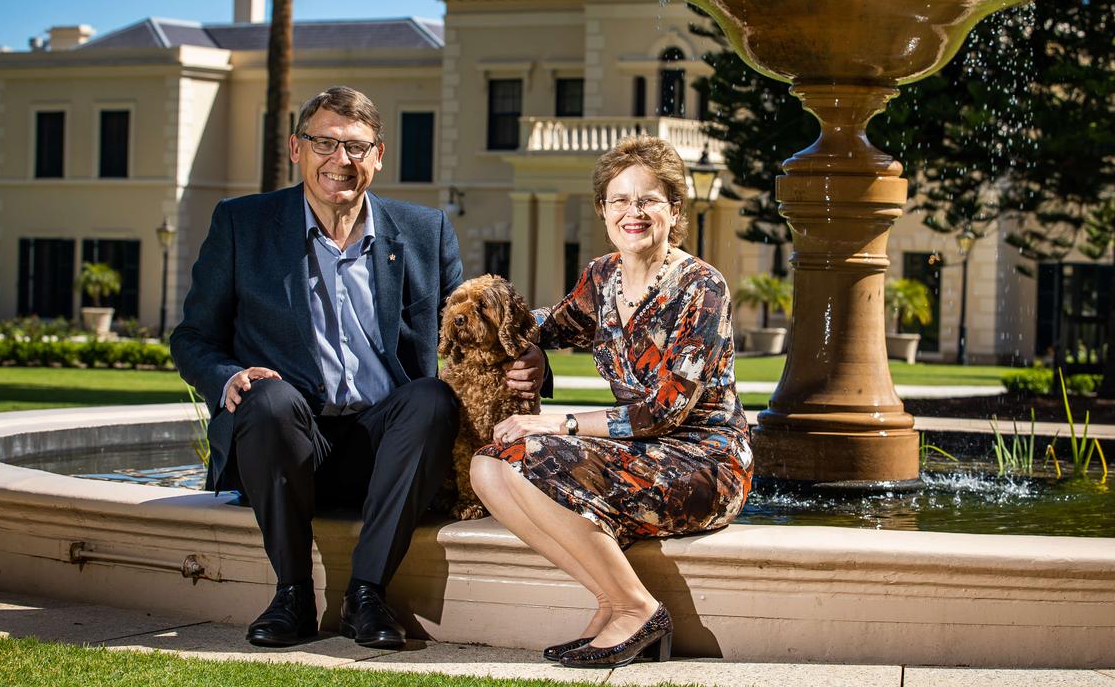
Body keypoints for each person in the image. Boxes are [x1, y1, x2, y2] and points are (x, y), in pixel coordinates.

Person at [171, 86, 545, 650]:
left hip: (384, 447)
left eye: (355, 147)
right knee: (268, 400)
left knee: (431, 398)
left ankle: (366, 595)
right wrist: (228, 378)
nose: (339, 161)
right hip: (288, 440)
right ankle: (291, 595)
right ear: (297, 149)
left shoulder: (425, 232)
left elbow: (473, 334)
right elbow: (192, 338)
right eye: (324, 143)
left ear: (378, 156)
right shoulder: (241, 225)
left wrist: (530, 361)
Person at [470, 135, 753, 669]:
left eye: (648, 199)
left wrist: (559, 422)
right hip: (636, 457)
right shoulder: (602, 279)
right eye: (619, 200)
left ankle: (638, 609)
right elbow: (546, 324)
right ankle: (612, 599)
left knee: (533, 454)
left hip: (705, 461)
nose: (633, 212)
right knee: (487, 467)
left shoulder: (702, 289)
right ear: (603, 211)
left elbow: (664, 412)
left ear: (674, 209)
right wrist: (523, 345)